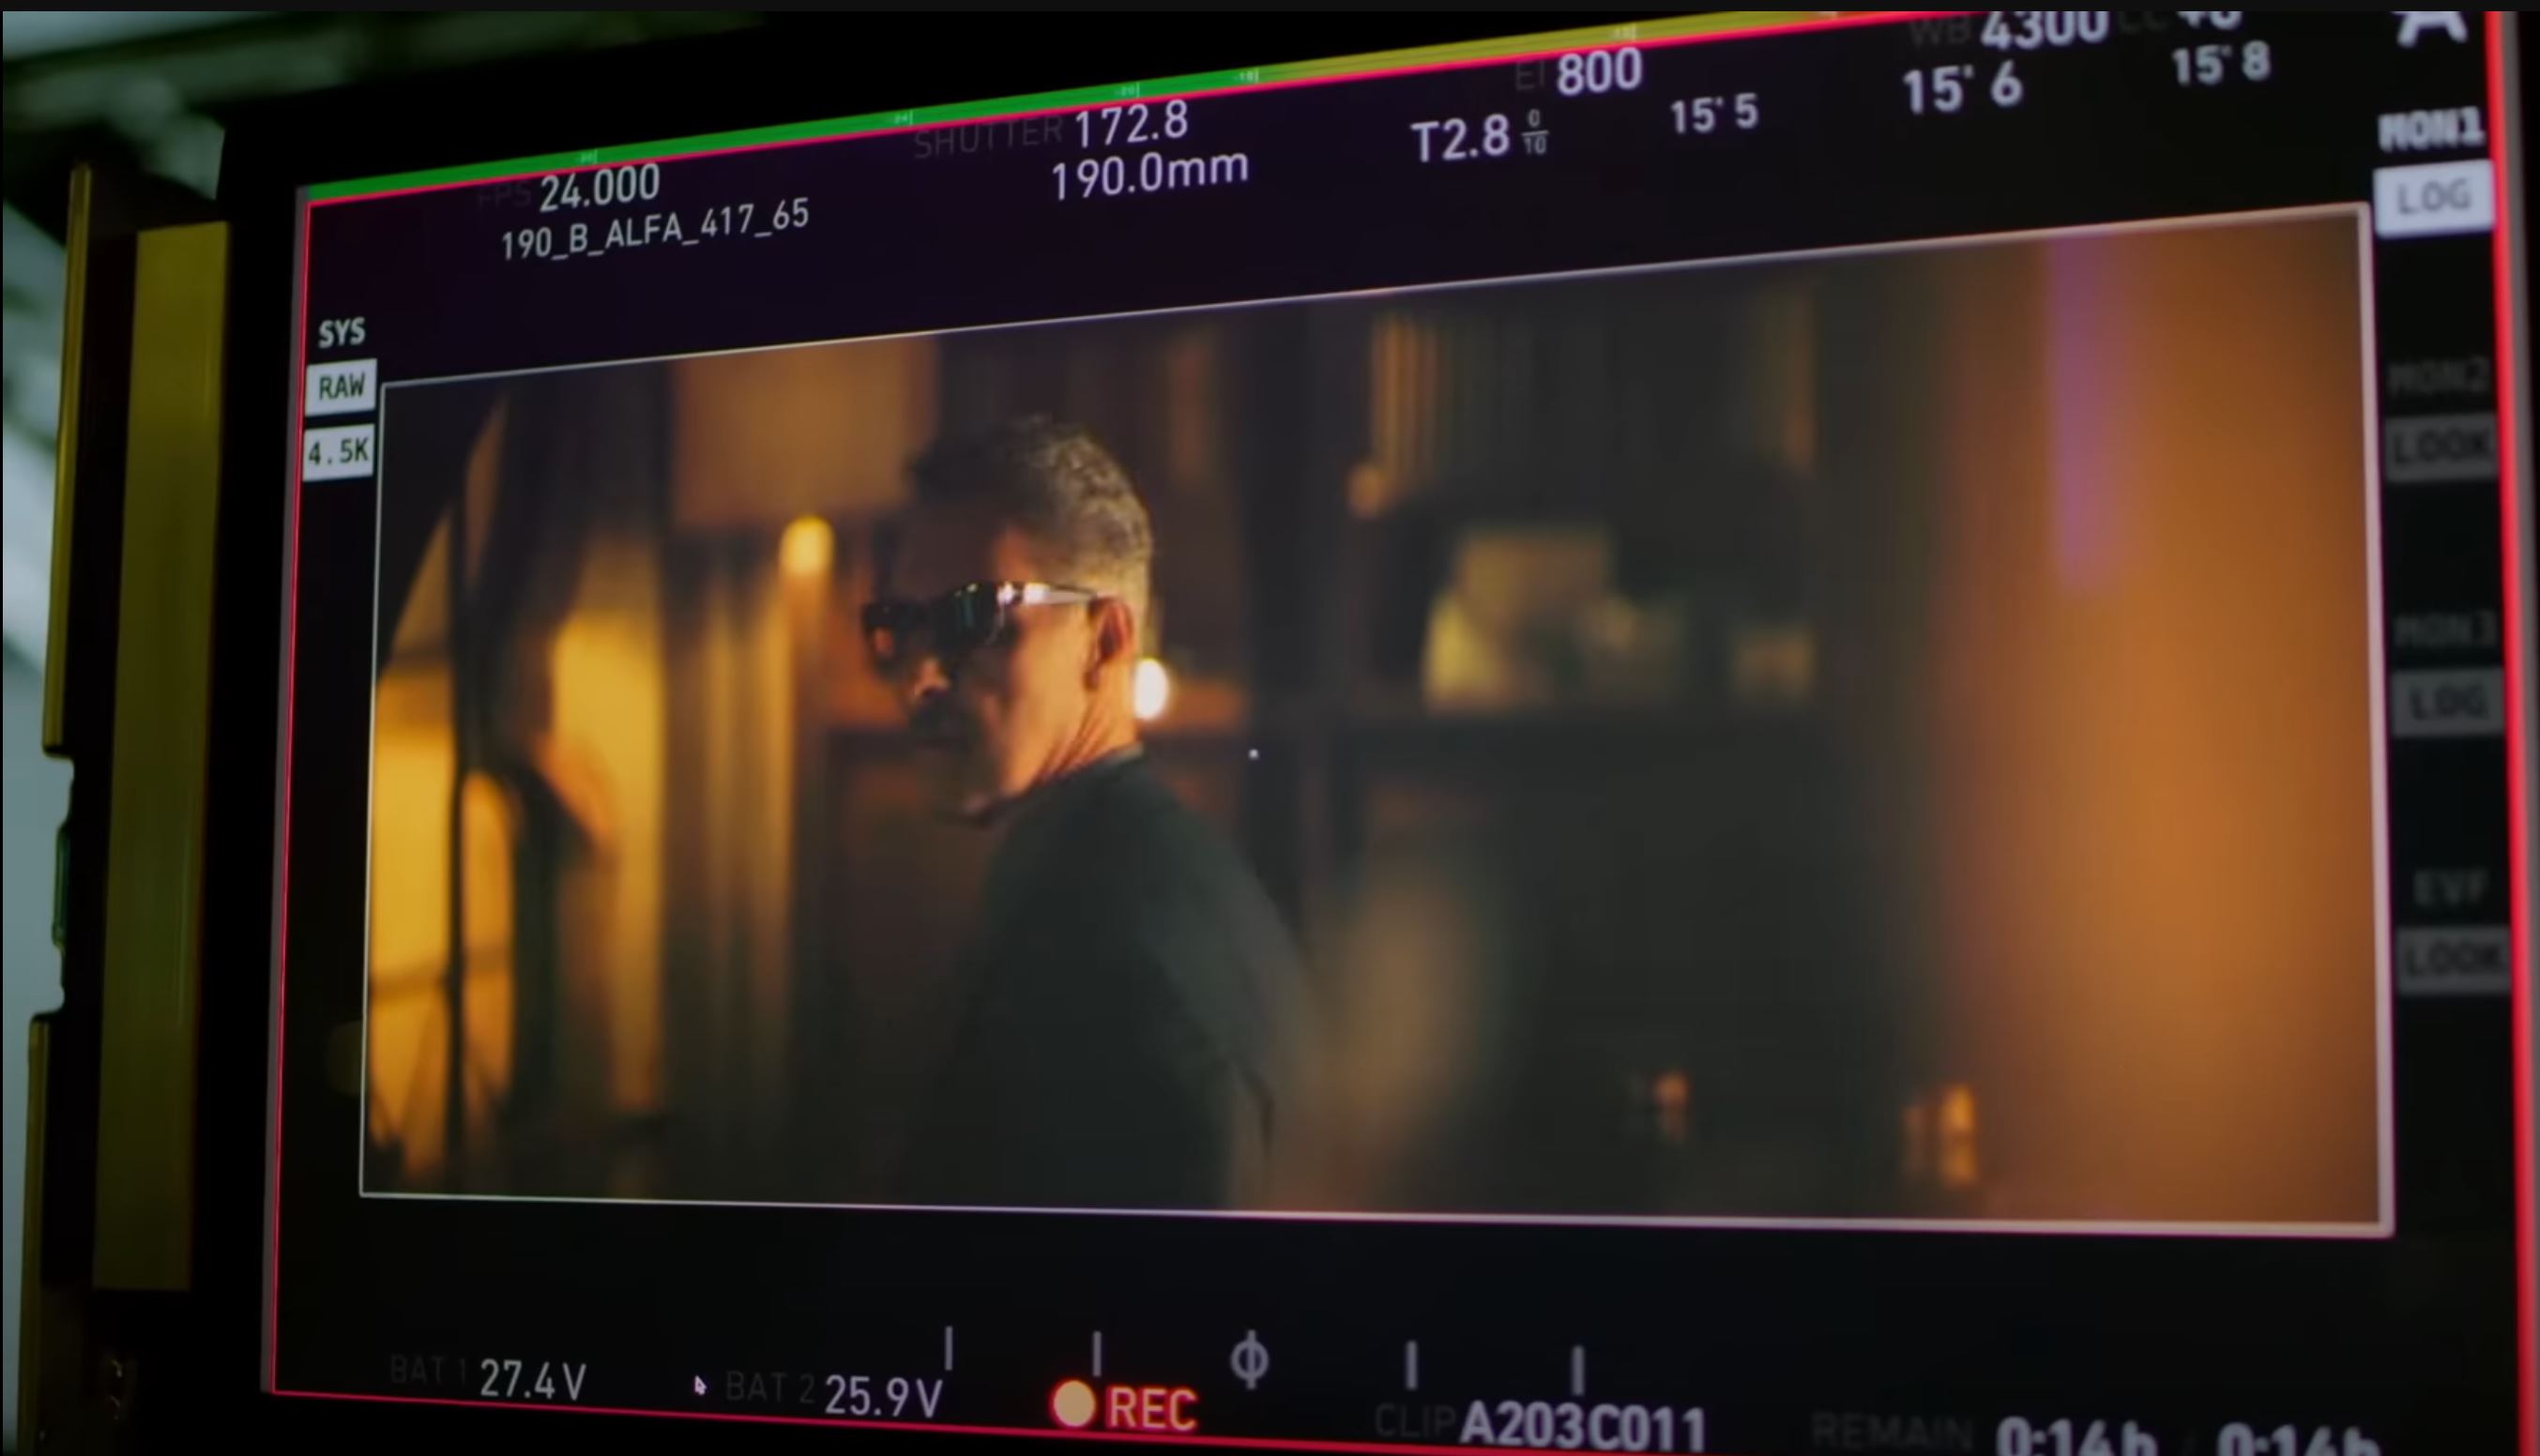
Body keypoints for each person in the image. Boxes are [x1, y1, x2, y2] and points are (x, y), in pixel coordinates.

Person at [862, 416, 1303, 1209]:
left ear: (1101, 641)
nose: (919, 676)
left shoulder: (1121, 951)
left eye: (971, 618)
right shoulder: (1108, 878)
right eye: (899, 626)